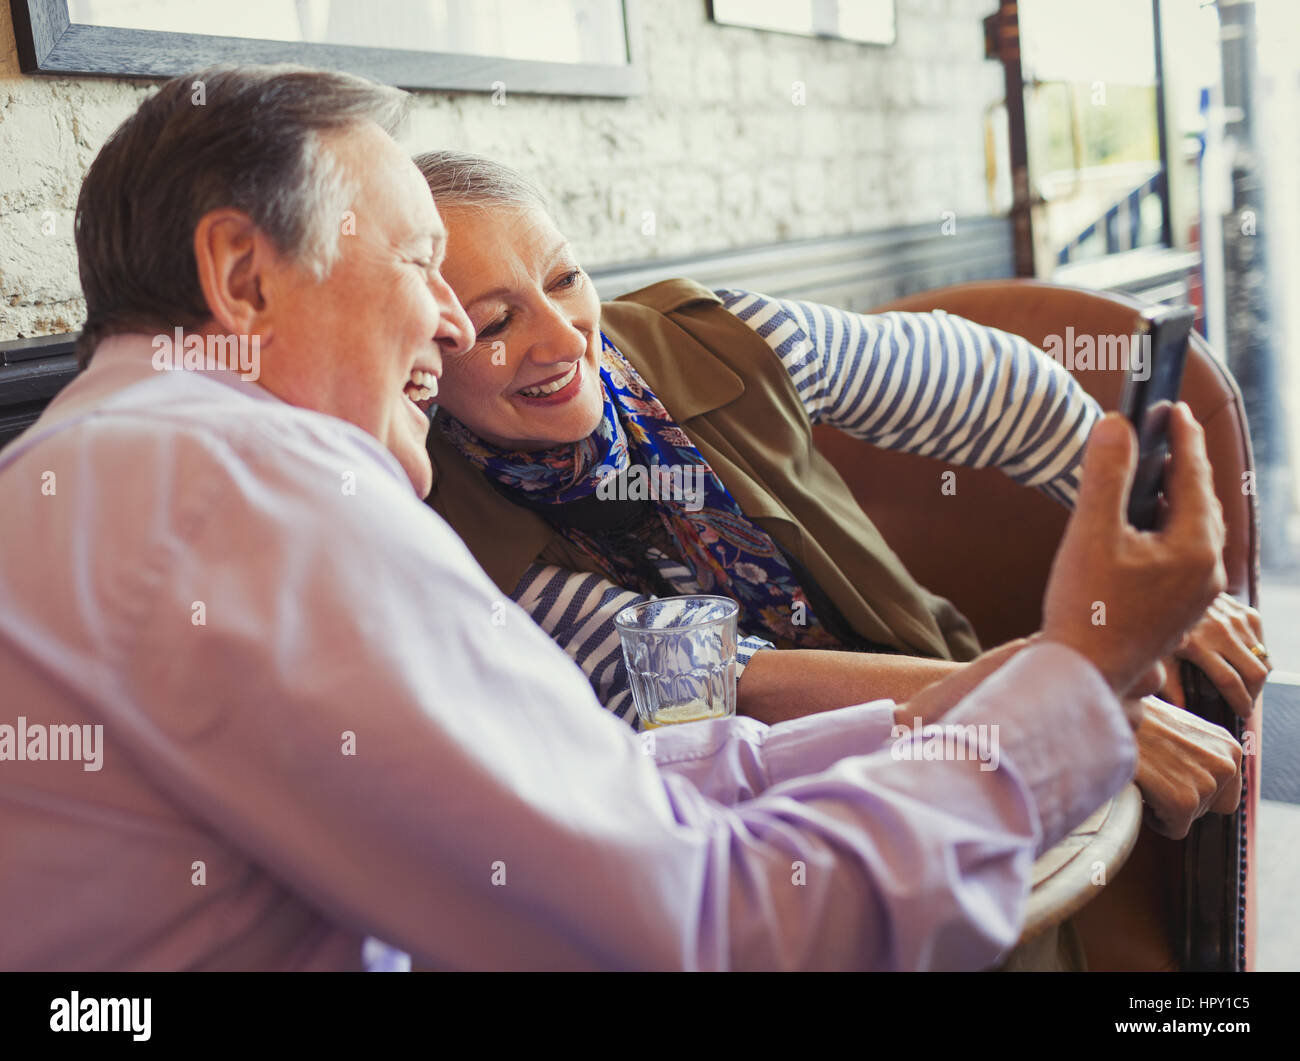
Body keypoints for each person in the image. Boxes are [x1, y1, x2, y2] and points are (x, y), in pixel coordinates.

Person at [0, 65, 1225, 972]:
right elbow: (712, 926)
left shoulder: (105, 464)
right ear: (244, 278)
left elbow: (610, 783)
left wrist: (984, 700)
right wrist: (1074, 680)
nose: (441, 321)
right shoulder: (259, 496)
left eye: (560, 279)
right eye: (427, 273)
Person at [415, 152, 1260, 841]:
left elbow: (1001, 390)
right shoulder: (441, 531)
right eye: (495, 324)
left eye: (565, 278)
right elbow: (725, 683)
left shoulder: (720, 339)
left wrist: (1150, 572)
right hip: (735, 831)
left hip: (946, 694)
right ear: (423, 355)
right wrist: (1039, 702)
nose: (564, 338)